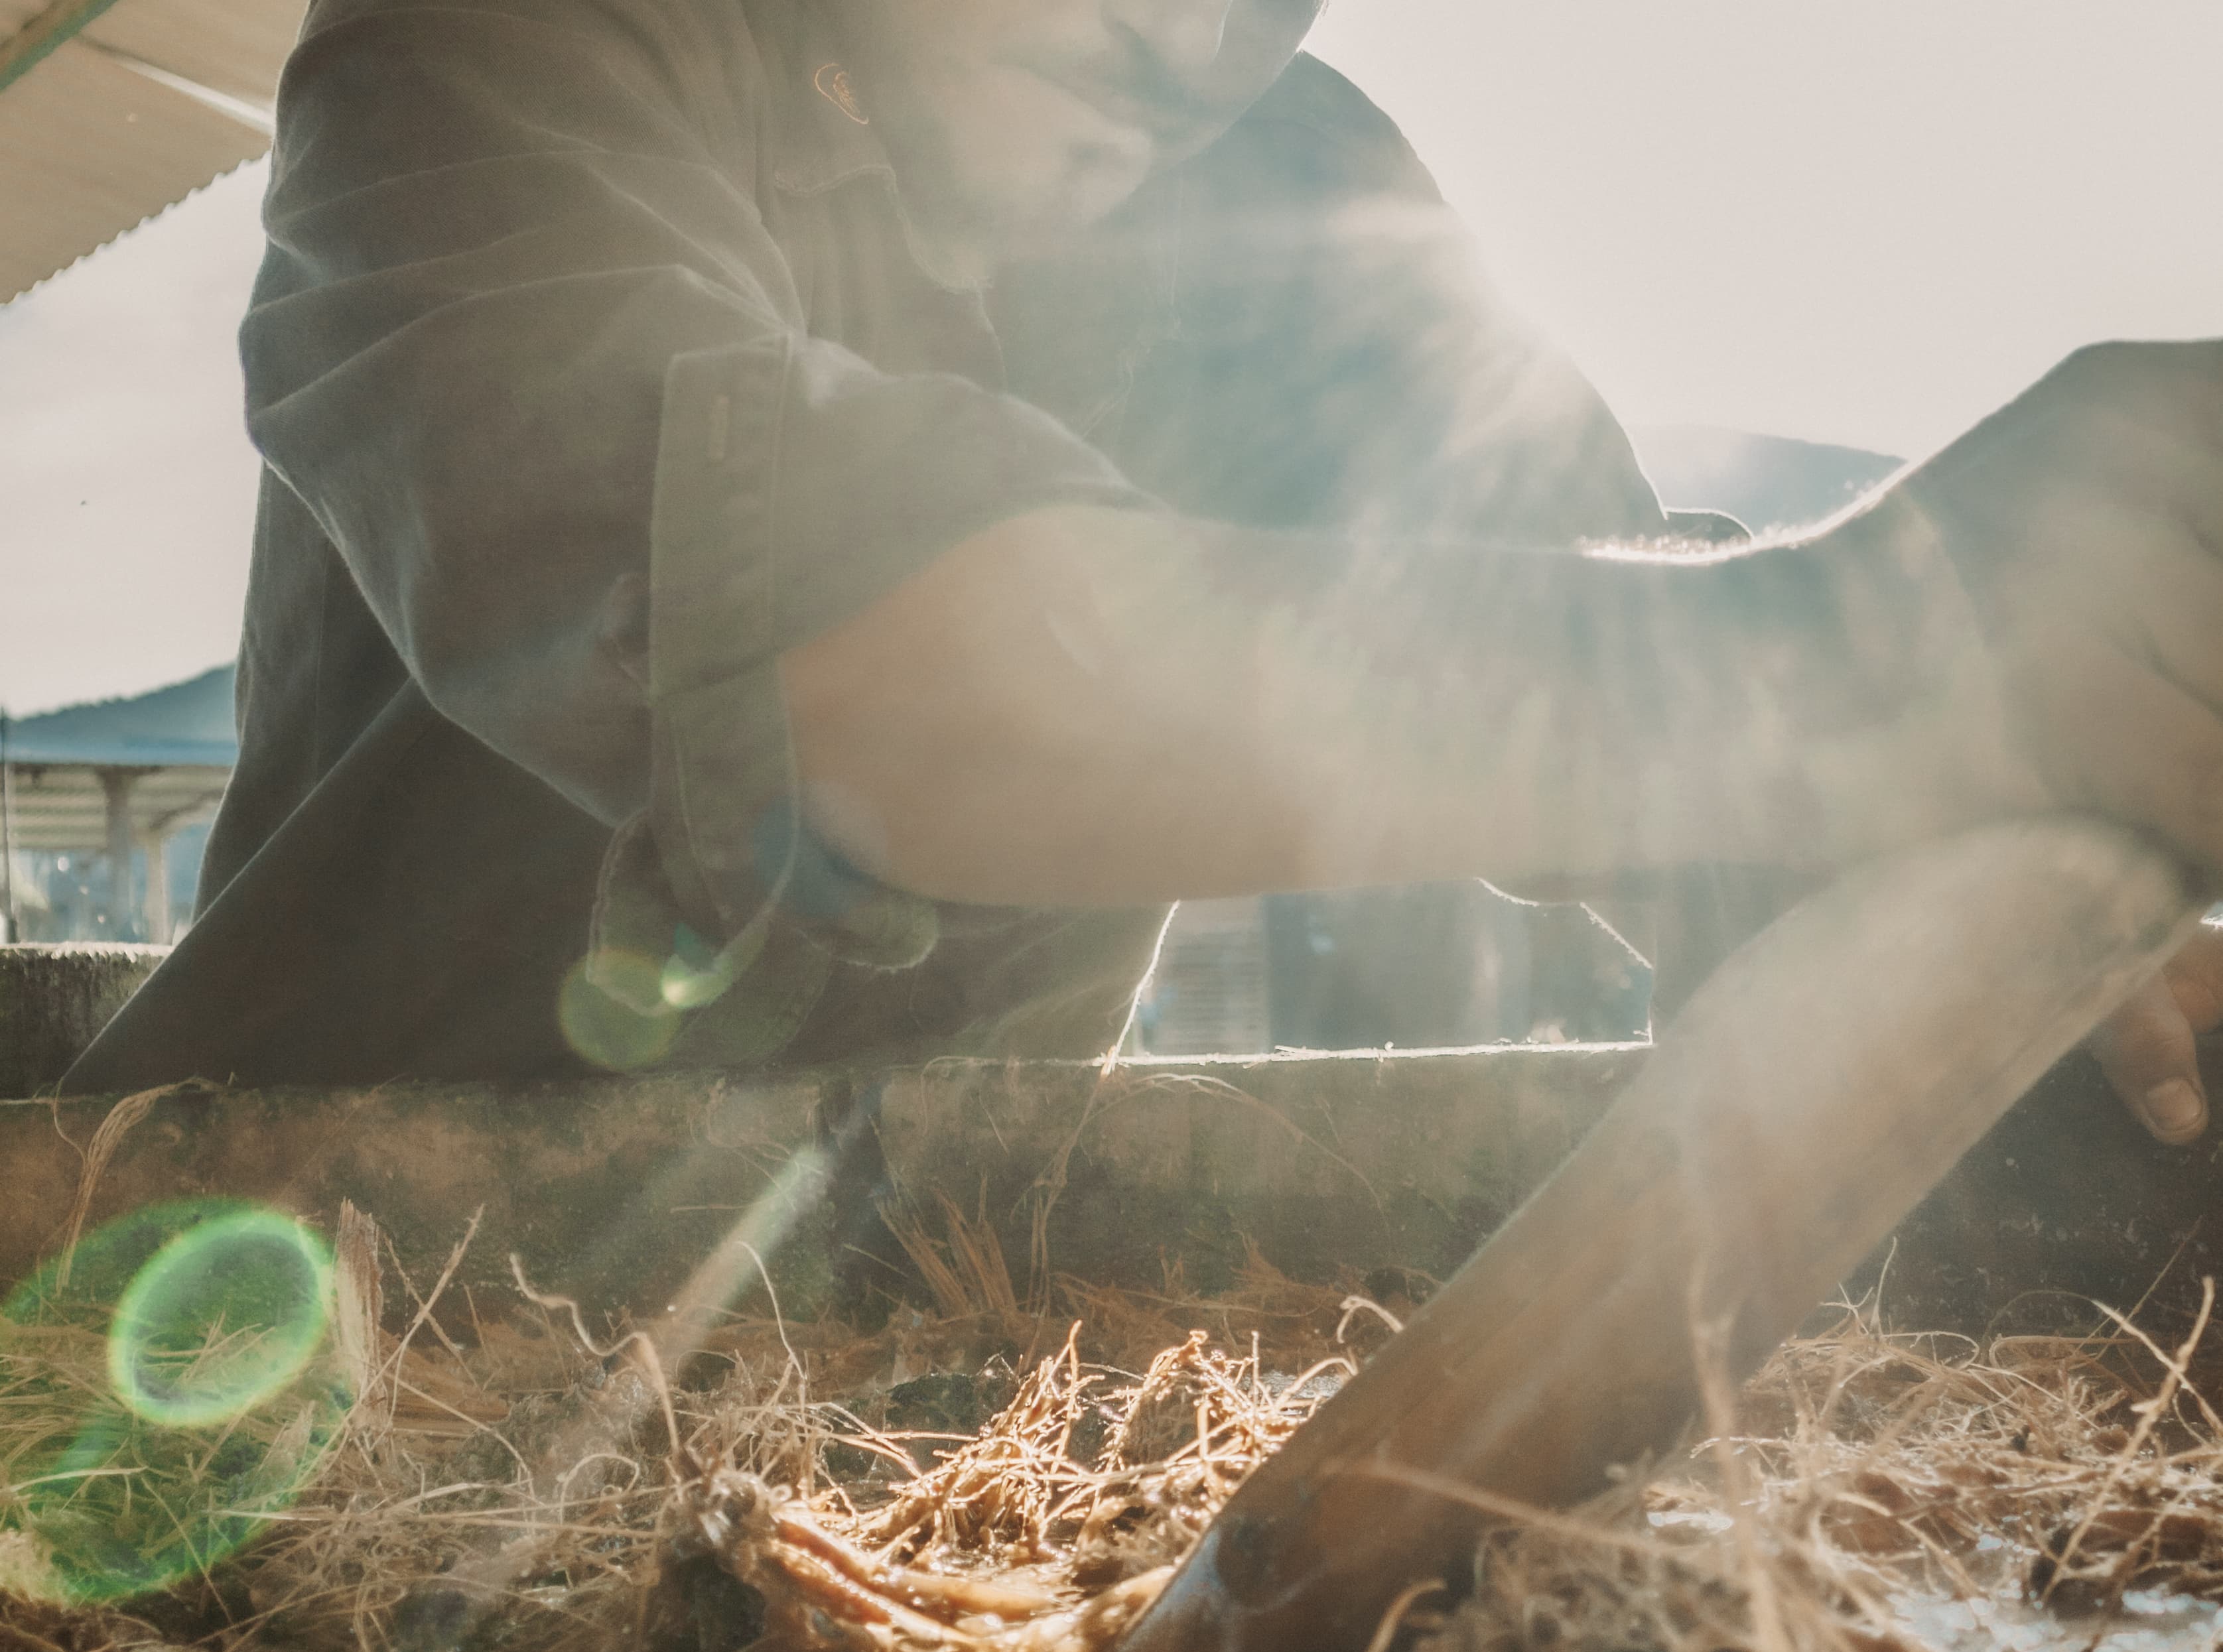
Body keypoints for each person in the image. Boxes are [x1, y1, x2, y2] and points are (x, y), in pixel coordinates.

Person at [66, 0, 2223, 1141]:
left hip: (919, 1357)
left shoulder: (1302, 188)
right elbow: (889, 684)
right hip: (245, 1344)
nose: (1208, 31)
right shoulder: (503, 51)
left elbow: (1603, 640)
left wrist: (1993, 906)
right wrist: (1867, 669)